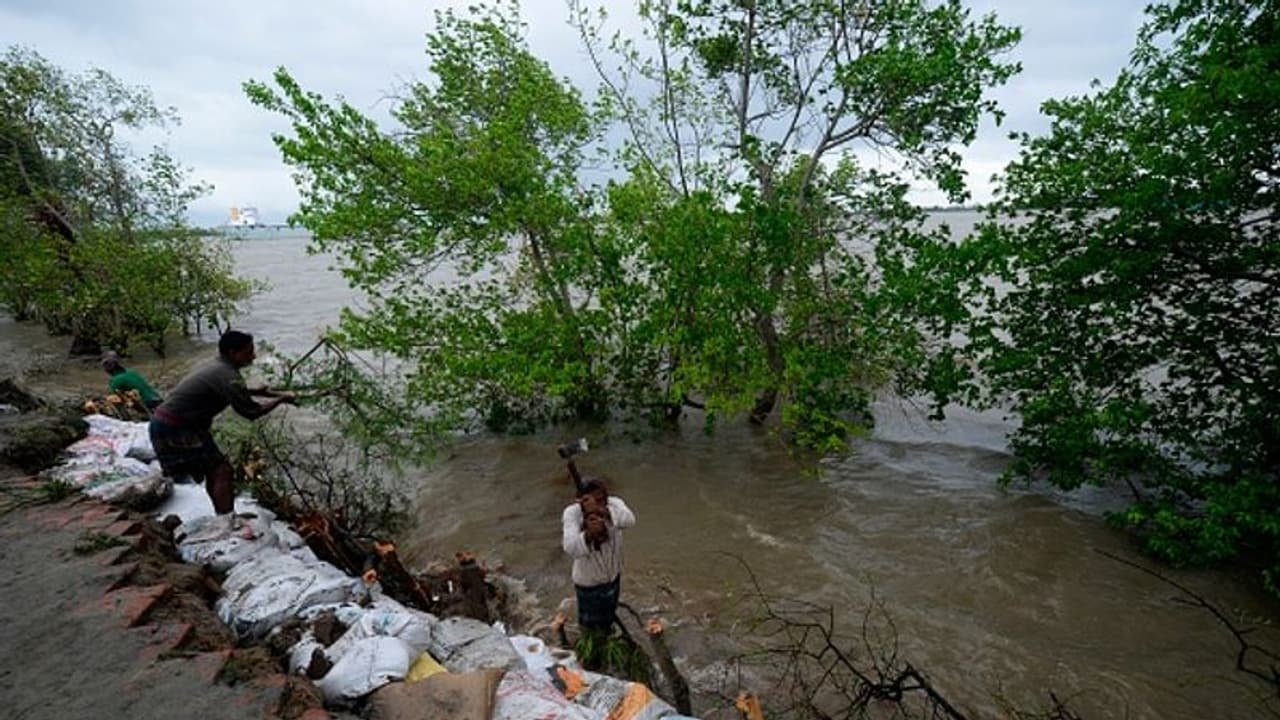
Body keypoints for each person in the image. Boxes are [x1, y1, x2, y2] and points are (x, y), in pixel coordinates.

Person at [148, 330, 294, 528]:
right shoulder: (226, 374)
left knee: (215, 469)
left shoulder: (219, 369)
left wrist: (259, 392)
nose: (253, 356)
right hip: (177, 427)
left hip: (171, 423)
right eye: (248, 352)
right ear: (233, 353)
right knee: (221, 469)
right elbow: (251, 412)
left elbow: (228, 390)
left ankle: (224, 516)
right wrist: (281, 399)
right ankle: (226, 519)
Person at [561, 477, 635, 636]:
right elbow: (570, 547)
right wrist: (588, 535)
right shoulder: (572, 513)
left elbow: (629, 520)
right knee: (591, 630)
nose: (599, 503)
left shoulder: (614, 504)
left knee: (608, 618)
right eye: (593, 500)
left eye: (601, 499)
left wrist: (602, 511)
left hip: (613, 577)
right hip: (590, 584)